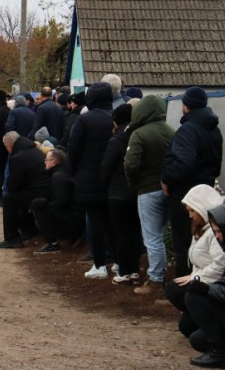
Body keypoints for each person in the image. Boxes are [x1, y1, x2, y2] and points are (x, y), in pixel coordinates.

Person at [162, 86, 224, 280]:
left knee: (184, 243)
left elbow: (184, 163)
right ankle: (200, 282)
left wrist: (166, 178)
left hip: (185, 196)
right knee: (200, 241)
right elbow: (217, 165)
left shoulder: (188, 130)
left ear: (186, 106)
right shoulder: (214, 130)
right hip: (205, 193)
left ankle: (183, 289)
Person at [124, 94, 176, 294]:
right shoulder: (171, 131)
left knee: (151, 236)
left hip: (147, 190)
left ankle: (155, 280)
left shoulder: (139, 134)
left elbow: (131, 164)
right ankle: (160, 272)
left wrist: (134, 183)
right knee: (161, 234)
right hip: (168, 189)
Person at [184, 202, 225, 369]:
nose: (217, 236)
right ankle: (218, 349)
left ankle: (219, 354)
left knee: (194, 296)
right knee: (197, 339)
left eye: (219, 231)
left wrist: (208, 289)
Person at [164, 185, 225, 341]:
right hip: (204, 278)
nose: (191, 216)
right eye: (189, 212)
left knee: (174, 289)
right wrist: (194, 275)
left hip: (215, 283)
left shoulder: (215, 230)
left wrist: (196, 277)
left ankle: (216, 319)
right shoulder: (201, 228)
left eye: (193, 211)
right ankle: (205, 318)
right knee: (186, 327)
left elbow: (221, 264)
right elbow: (199, 260)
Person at [69, 81, 114, 279]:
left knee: (95, 221)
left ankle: (99, 264)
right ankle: (119, 262)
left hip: (89, 178)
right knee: (114, 222)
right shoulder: (115, 117)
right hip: (113, 178)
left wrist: (74, 172)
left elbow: (74, 149)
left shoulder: (85, 120)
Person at [99, 103, 141, 284]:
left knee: (121, 233)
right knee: (135, 231)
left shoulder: (115, 140)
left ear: (116, 121)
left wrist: (104, 186)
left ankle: (124, 270)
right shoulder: (139, 137)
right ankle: (134, 269)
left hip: (117, 193)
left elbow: (106, 168)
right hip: (138, 191)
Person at [0, 131, 51, 249]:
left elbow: (13, 185)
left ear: (9, 145)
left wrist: (7, 188)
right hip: (45, 188)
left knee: (9, 199)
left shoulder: (18, 157)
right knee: (20, 197)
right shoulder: (35, 150)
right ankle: (28, 230)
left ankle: (12, 238)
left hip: (37, 191)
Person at [31, 149, 84, 253]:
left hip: (74, 218)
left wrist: (45, 205)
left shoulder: (58, 176)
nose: (45, 162)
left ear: (54, 162)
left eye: (47, 159)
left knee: (38, 205)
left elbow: (62, 202)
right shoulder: (63, 172)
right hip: (78, 215)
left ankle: (53, 244)